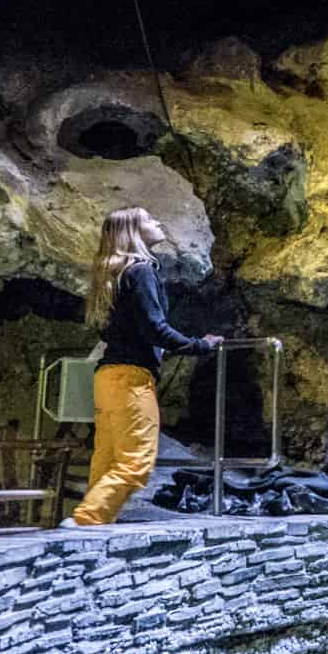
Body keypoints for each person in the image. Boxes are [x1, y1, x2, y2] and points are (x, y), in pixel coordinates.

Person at [69, 207, 222, 526]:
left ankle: (91, 524)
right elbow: (155, 328)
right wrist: (200, 345)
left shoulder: (114, 274)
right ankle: (89, 518)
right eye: (150, 219)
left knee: (107, 458)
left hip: (108, 377)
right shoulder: (141, 271)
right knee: (136, 461)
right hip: (130, 379)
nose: (158, 221)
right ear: (134, 232)